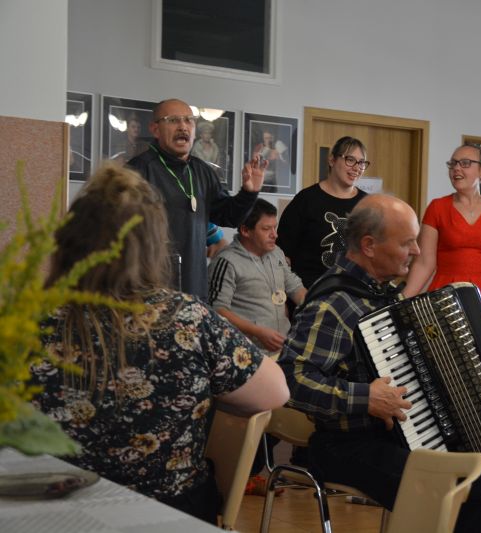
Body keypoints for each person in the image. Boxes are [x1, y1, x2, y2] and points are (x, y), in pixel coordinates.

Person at [29, 163, 289, 523]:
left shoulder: (32, 323)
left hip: (54, 516)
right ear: (154, 247)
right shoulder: (188, 319)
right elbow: (276, 392)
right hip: (170, 514)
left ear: (69, 242)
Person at [278, 194, 481, 533]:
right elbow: (290, 378)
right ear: (369, 245)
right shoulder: (333, 304)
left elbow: (426, 367)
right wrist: (365, 397)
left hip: (406, 435)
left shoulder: (385, 294)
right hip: (347, 443)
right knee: (454, 487)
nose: (417, 251)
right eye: (407, 242)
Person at [127, 98, 266, 300]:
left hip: (194, 287)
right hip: (150, 292)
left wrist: (249, 192)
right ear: (155, 129)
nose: (183, 126)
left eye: (188, 120)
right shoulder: (137, 171)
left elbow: (229, 217)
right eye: (173, 120)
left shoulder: (202, 171)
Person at [403, 142, 481, 332]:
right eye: (453, 163)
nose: (456, 168)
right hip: (446, 295)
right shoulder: (437, 208)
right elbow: (424, 263)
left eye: (465, 163)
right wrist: (403, 301)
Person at [208, 198, 307, 354]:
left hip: (282, 348)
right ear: (245, 231)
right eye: (266, 229)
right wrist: (257, 331)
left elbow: (295, 288)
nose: (275, 235)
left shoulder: (277, 253)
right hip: (245, 352)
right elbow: (217, 310)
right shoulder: (226, 261)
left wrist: (319, 310)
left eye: (275, 227)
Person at [276, 136, 368, 289]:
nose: (357, 168)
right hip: (308, 293)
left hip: (353, 293)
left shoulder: (368, 205)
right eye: (350, 160)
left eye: (362, 163)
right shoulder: (306, 199)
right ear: (332, 160)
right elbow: (282, 255)